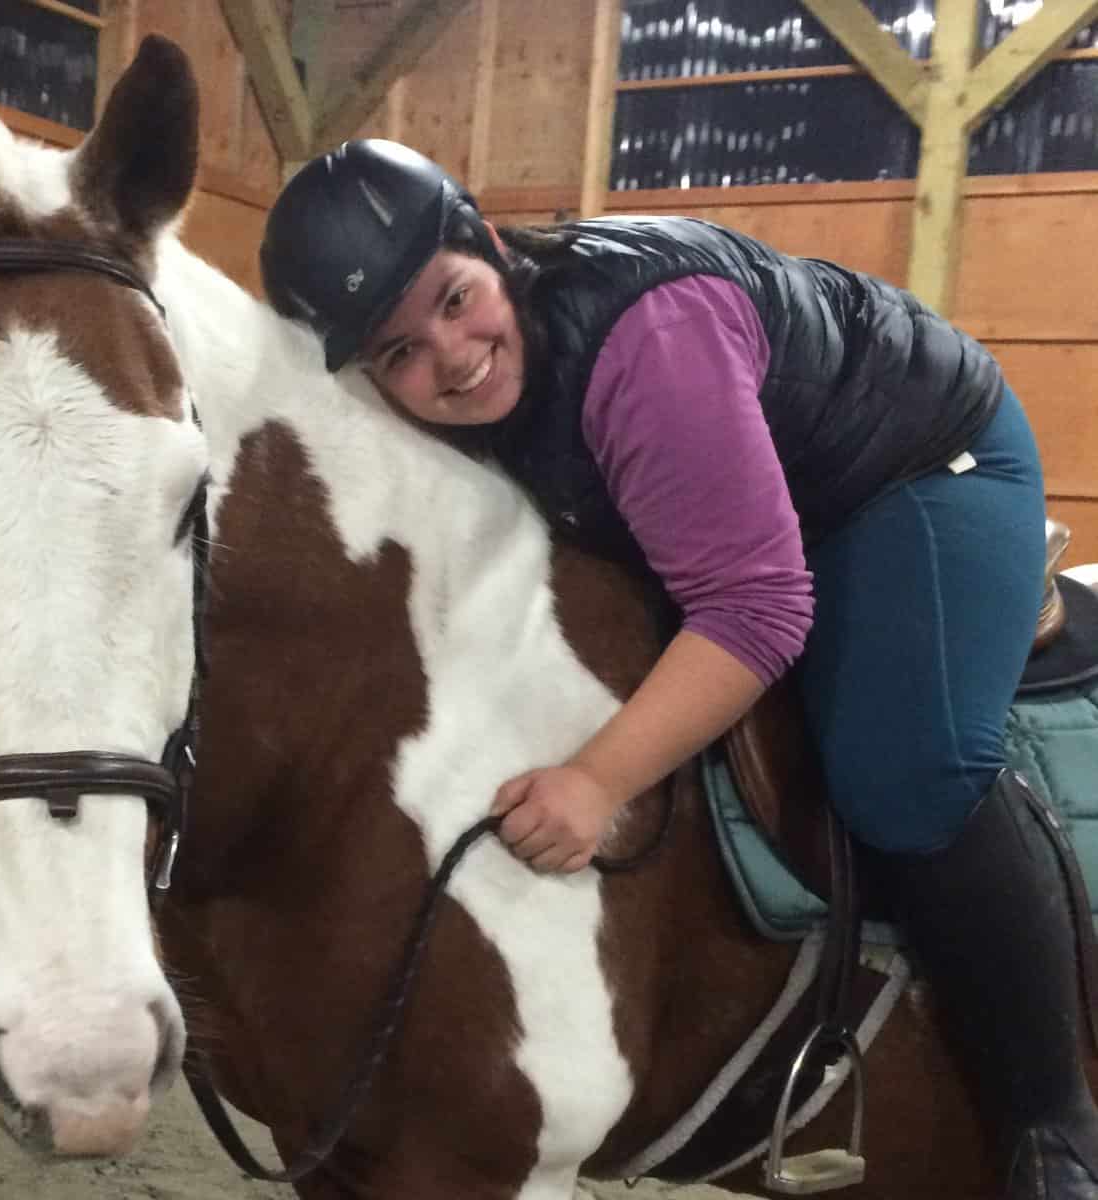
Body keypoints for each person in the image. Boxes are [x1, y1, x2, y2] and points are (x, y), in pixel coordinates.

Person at [259, 138, 1098, 1198]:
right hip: (756, 470)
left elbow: (755, 607)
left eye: (452, 299)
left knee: (907, 770)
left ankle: (1051, 1128)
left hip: (916, 464)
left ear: (484, 243)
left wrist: (598, 780)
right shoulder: (461, 396)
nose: (449, 356)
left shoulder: (642, 339)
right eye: (397, 353)